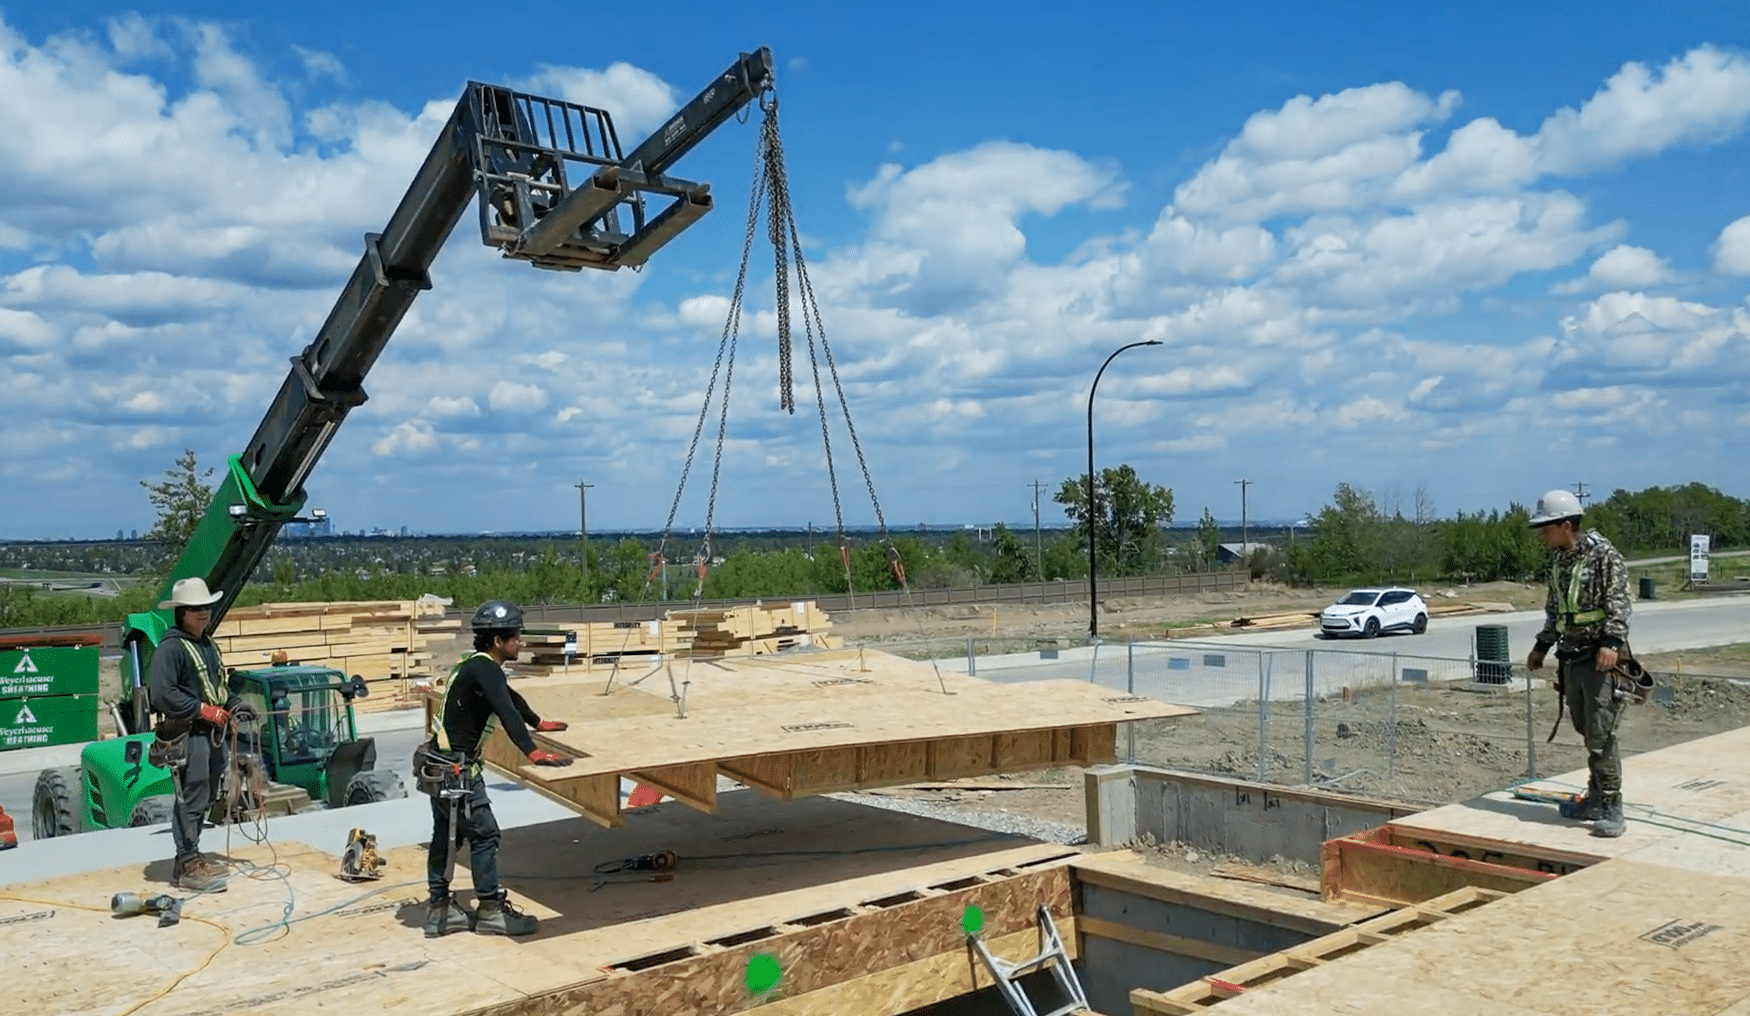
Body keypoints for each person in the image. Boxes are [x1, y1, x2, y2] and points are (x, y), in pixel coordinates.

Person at [424, 599, 573, 937]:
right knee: (484, 833)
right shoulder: (485, 669)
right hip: (456, 770)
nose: (520, 642)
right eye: (515, 636)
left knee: (448, 836)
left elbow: (509, 697)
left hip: (440, 764)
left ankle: (440, 910)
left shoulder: (477, 666)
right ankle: (491, 911)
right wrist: (533, 753)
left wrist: (538, 722)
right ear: (497, 641)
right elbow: (505, 712)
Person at [1524, 489, 1633, 838]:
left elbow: (1618, 601)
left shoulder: (1604, 556)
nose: (1542, 535)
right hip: (1570, 656)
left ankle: (1613, 807)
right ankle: (1596, 798)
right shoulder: (1558, 560)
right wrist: (1541, 646)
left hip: (1599, 657)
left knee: (1602, 733)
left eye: (1546, 528)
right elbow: (1556, 608)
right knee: (1587, 730)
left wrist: (1612, 643)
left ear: (1566, 525)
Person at [147, 576, 250, 891]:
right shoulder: (172, 648)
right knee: (192, 793)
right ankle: (188, 863)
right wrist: (204, 711)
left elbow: (218, 687)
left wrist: (235, 705)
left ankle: (193, 854)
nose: (202, 613)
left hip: (213, 733)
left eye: (205, 607)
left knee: (205, 794)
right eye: (195, 609)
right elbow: (161, 694)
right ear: (181, 614)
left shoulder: (207, 645)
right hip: (189, 733)